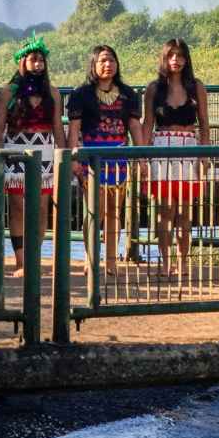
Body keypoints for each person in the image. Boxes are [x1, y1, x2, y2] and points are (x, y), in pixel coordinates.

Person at [67, 45, 144, 276]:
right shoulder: (80, 94)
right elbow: (74, 130)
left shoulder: (128, 94)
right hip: (91, 158)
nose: (108, 64)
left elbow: (134, 127)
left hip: (119, 159)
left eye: (111, 60)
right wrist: (74, 158)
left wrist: (141, 158)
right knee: (94, 211)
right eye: (102, 60)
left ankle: (111, 261)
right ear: (93, 64)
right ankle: (90, 260)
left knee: (114, 212)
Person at [0, 36, 64, 278]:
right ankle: (21, 261)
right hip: (15, 150)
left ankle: (33, 258)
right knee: (17, 206)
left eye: (41, 59)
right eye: (33, 59)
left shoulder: (52, 93)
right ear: (21, 61)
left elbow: (57, 128)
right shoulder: (7, 92)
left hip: (44, 150)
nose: (38, 63)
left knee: (42, 208)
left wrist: (64, 158)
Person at [143, 39, 209, 277]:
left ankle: (182, 263)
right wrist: (142, 158)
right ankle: (165, 262)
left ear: (186, 59)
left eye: (180, 55)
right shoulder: (154, 89)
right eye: (171, 55)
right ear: (165, 58)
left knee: (184, 212)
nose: (176, 60)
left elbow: (204, 122)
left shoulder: (196, 87)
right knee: (165, 211)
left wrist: (205, 155)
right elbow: (147, 124)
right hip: (161, 150)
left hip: (189, 150)